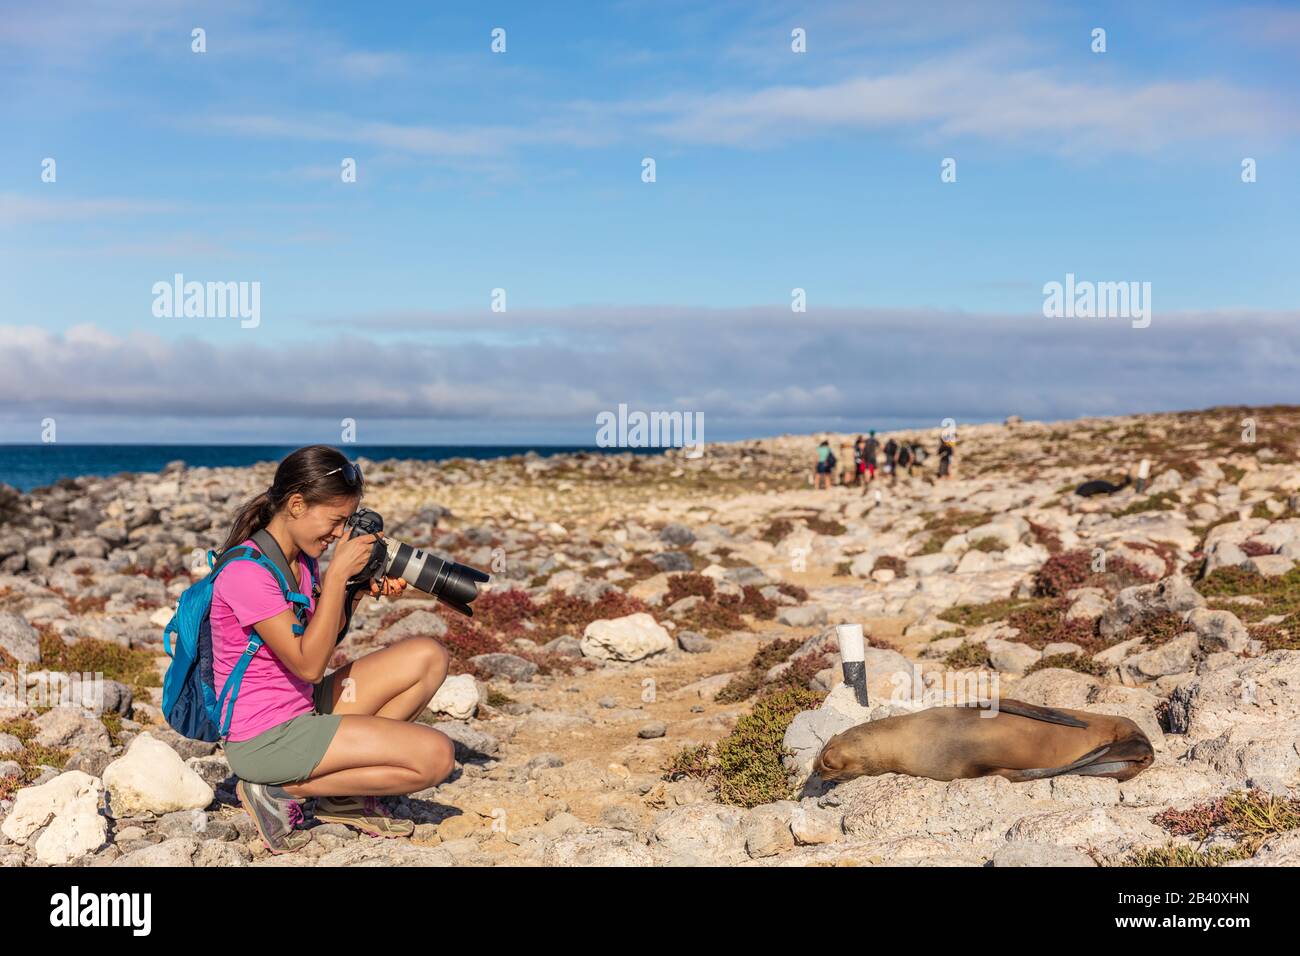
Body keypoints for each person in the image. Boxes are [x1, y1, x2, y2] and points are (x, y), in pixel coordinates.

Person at [213, 445, 455, 853]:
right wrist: (340, 571)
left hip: (301, 710)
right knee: (436, 757)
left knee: (428, 656)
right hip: (265, 738)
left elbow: (317, 639)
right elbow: (309, 665)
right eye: (336, 520)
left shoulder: (299, 559)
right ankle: (277, 787)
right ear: (295, 504)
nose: (339, 534)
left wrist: (353, 592)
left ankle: (343, 794)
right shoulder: (246, 573)